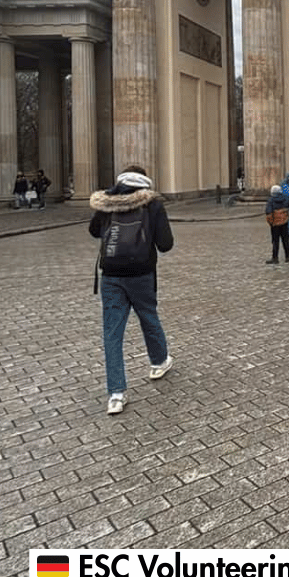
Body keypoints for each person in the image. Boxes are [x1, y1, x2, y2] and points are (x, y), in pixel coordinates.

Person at [88, 165, 175, 416]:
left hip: (111, 274)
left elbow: (94, 231)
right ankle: (158, 362)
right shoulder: (152, 204)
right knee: (148, 315)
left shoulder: (107, 201)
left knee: (112, 333)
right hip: (141, 273)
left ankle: (116, 394)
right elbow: (166, 244)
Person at [264, 183, 289, 264]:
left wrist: (271, 222)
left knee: (275, 241)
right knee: (286, 240)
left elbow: (268, 212)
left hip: (275, 223)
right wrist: (288, 217)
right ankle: (288, 256)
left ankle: (275, 258)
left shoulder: (271, 200)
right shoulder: (285, 198)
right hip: (284, 222)